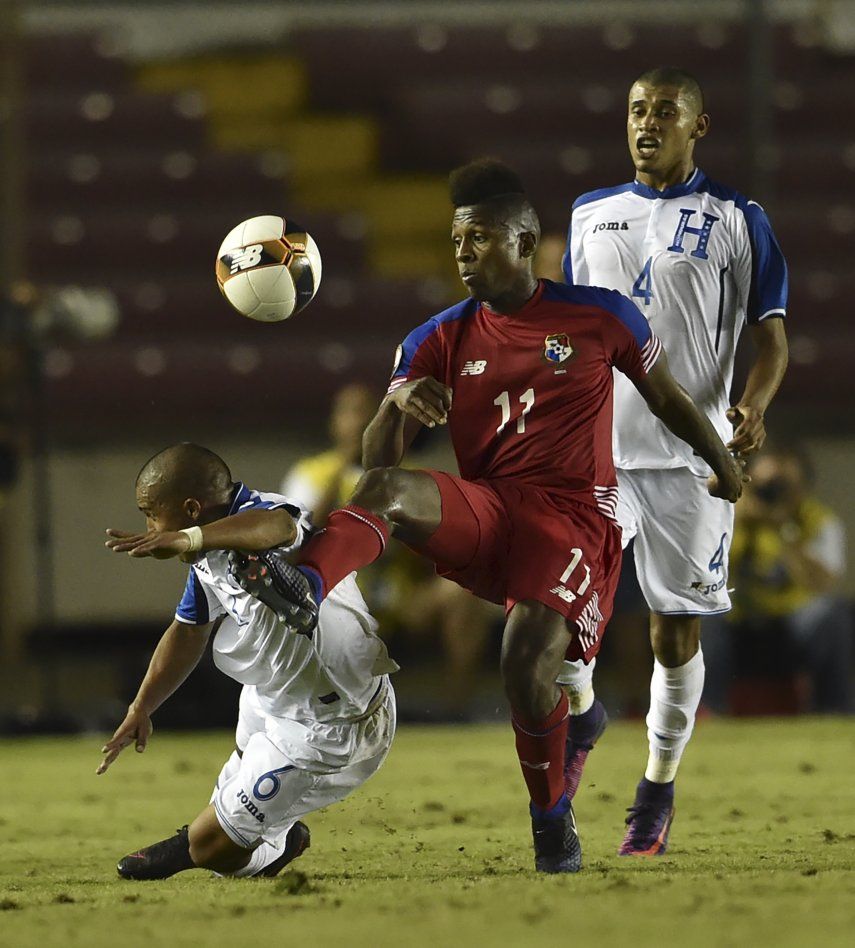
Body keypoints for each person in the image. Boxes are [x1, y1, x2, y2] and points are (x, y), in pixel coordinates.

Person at [230, 158, 745, 874]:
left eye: (476, 238)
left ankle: (549, 821)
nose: (462, 253)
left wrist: (721, 464)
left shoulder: (599, 317)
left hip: (573, 521)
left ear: (524, 239)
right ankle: (303, 588)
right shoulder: (437, 336)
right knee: (387, 493)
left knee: (523, 660)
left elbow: (666, 399)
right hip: (489, 510)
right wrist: (395, 405)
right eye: (454, 242)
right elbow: (376, 463)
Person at [561, 66, 789, 856]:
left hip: (691, 458)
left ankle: (655, 787)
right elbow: (573, 333)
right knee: (555, 614)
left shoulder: (735, 217)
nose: (645, 123)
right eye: (635, 110)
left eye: (663, 111)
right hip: (595, 451)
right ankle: (584, 712)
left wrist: (752, 407)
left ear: (699, 125)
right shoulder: (589, 214)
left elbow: (771, 336)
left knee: (671, 634)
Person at [98, 443, 397, 881]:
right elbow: (187, 629)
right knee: (240, 779)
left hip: (336, 720)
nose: (148, 527)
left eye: (150, 514)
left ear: (191, 509)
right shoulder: (205, 558)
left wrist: (187, 537)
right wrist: (142, 706)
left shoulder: (267, 512)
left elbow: (275, 527)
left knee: (211, 850)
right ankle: (257, 823)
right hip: (269, 694)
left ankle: (266, 844)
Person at [283, 382, 498, 719]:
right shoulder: (310, 474)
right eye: (350, 412)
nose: (358, 421)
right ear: (334, 423)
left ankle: (456, 712)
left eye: (367, 414)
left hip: (400, 599)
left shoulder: (405, 476)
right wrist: (344, 464)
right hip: (338, 601)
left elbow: (439, 553)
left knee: (462, 594)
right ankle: (317, 716)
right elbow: (299, 542)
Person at [704, 445, 850, 714]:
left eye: (783, 486)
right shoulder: (729, 515)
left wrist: (782, 528)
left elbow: (822, 583)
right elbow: (702, 575)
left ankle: (835, 712)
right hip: (737, 622)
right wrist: (736, 519)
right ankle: (705, 714)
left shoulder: (817, 521)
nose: (772, 494)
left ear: (803, 488)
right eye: (764, 485)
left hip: (791, 624)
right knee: (699, 614)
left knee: (834, 615)